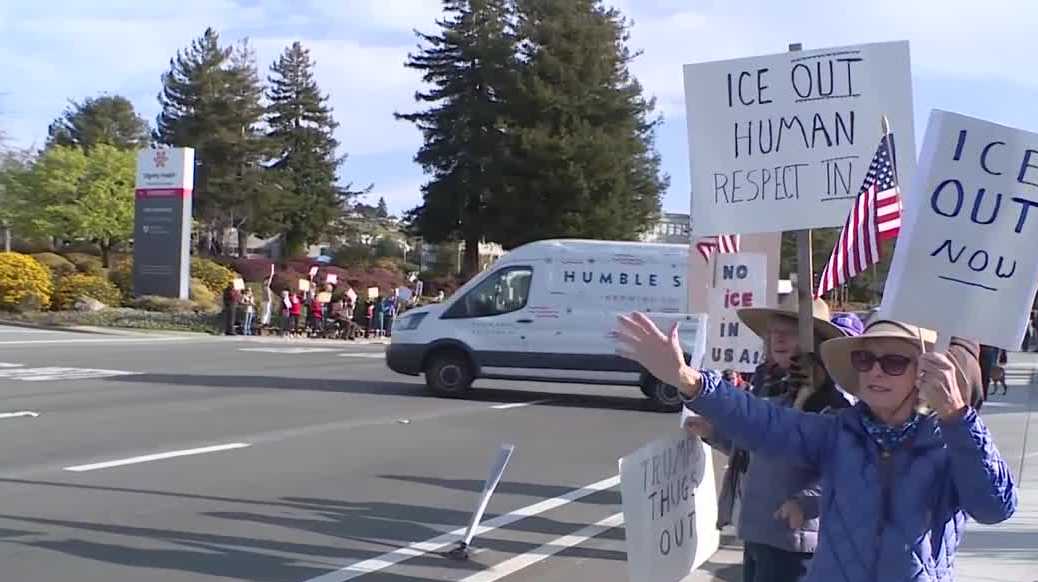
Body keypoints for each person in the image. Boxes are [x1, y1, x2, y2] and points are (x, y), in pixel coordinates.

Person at [617, 316, 1017, 582]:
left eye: (894, 362)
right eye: (865, 359)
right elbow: (763, 423)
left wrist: (958, 417)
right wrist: (690, 380)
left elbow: (996, 507)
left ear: (922, 374)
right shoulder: (838, 432)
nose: (876, 370)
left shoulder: (951, 438)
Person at [691, 296, 853, 582]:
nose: (777, 338)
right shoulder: (765, 386)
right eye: (773, 331)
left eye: (790, 331)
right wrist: (714, 433)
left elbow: (850, 469)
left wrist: (806, 503)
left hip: (796, 541)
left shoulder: (828, 401)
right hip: (758, 531)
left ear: (814, 341)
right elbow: (756, 449)